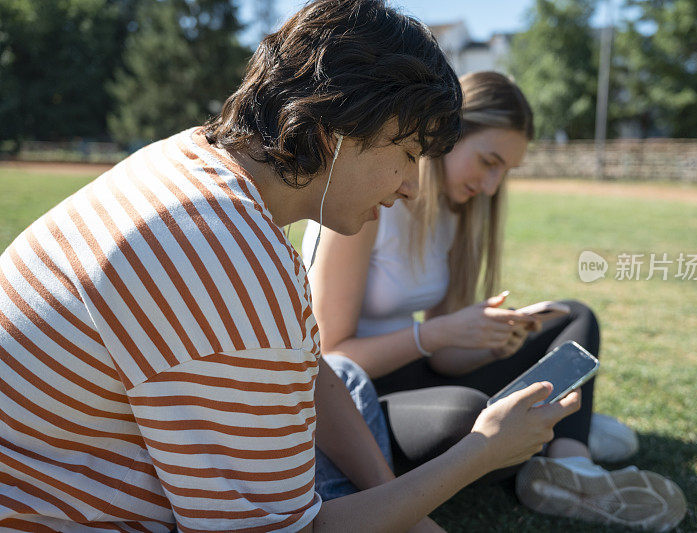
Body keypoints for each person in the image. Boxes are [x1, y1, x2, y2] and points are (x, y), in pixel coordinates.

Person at [0, 2, 582, 532]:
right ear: (335, 131)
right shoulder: (228, 256)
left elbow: (312, 369)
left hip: (48, 480)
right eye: (406, 155)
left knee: (348, 384)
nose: (411, 186)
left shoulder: (194, 164)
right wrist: (479, 451)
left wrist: (393, 497)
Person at [303, 71, 687, 531]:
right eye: (488, 161)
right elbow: (329, 358)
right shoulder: (367, 204)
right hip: (355, 400)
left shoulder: (451, 213)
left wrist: (492, 341)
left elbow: (444, 359)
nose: (491, 185)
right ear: (447, 133)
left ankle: (570, 461)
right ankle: (559, 428)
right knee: (473, 417)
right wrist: (435, 333)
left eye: (504, 172)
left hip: (417, 371)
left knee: (571, 318)